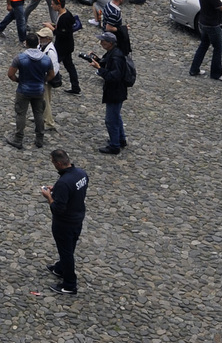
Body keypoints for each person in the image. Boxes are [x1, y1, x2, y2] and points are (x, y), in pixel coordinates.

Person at [42, 148, 88, 295]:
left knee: (66, 252)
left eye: (53, 163)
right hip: (77, 217)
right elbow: (73, 191)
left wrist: (49, 196)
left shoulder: (64, 182)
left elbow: (57, 208)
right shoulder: (81, 174)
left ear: (59, 163)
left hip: (65, 223)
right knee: (70, 246)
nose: (53, 165)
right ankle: (60, 268)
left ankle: (69, 284)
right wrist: (56, 190)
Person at [7, 32, 53, 150]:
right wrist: (43, 81)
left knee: (21, 113)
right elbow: (51, 74)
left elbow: (11, 74)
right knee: (38, 113)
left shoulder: (20, 58)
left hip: (23, 89)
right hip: (38, 90)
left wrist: (19, 80)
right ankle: (39, 139)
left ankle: (18, 138)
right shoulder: (45, 59)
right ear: (38, 43)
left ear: (26, 43)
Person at [91, 30, 131, 154]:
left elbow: (114, 76)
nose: (101, 42)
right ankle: (121, 139)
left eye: (103, 41)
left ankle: (114, 146)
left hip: (115, 92)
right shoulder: (112, 53)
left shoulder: (116, 56)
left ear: (110, 43)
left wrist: (99, 69)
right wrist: (97, 59)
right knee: (116, 116)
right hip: (116, 91)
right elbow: (107, 64)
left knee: (111, 119)